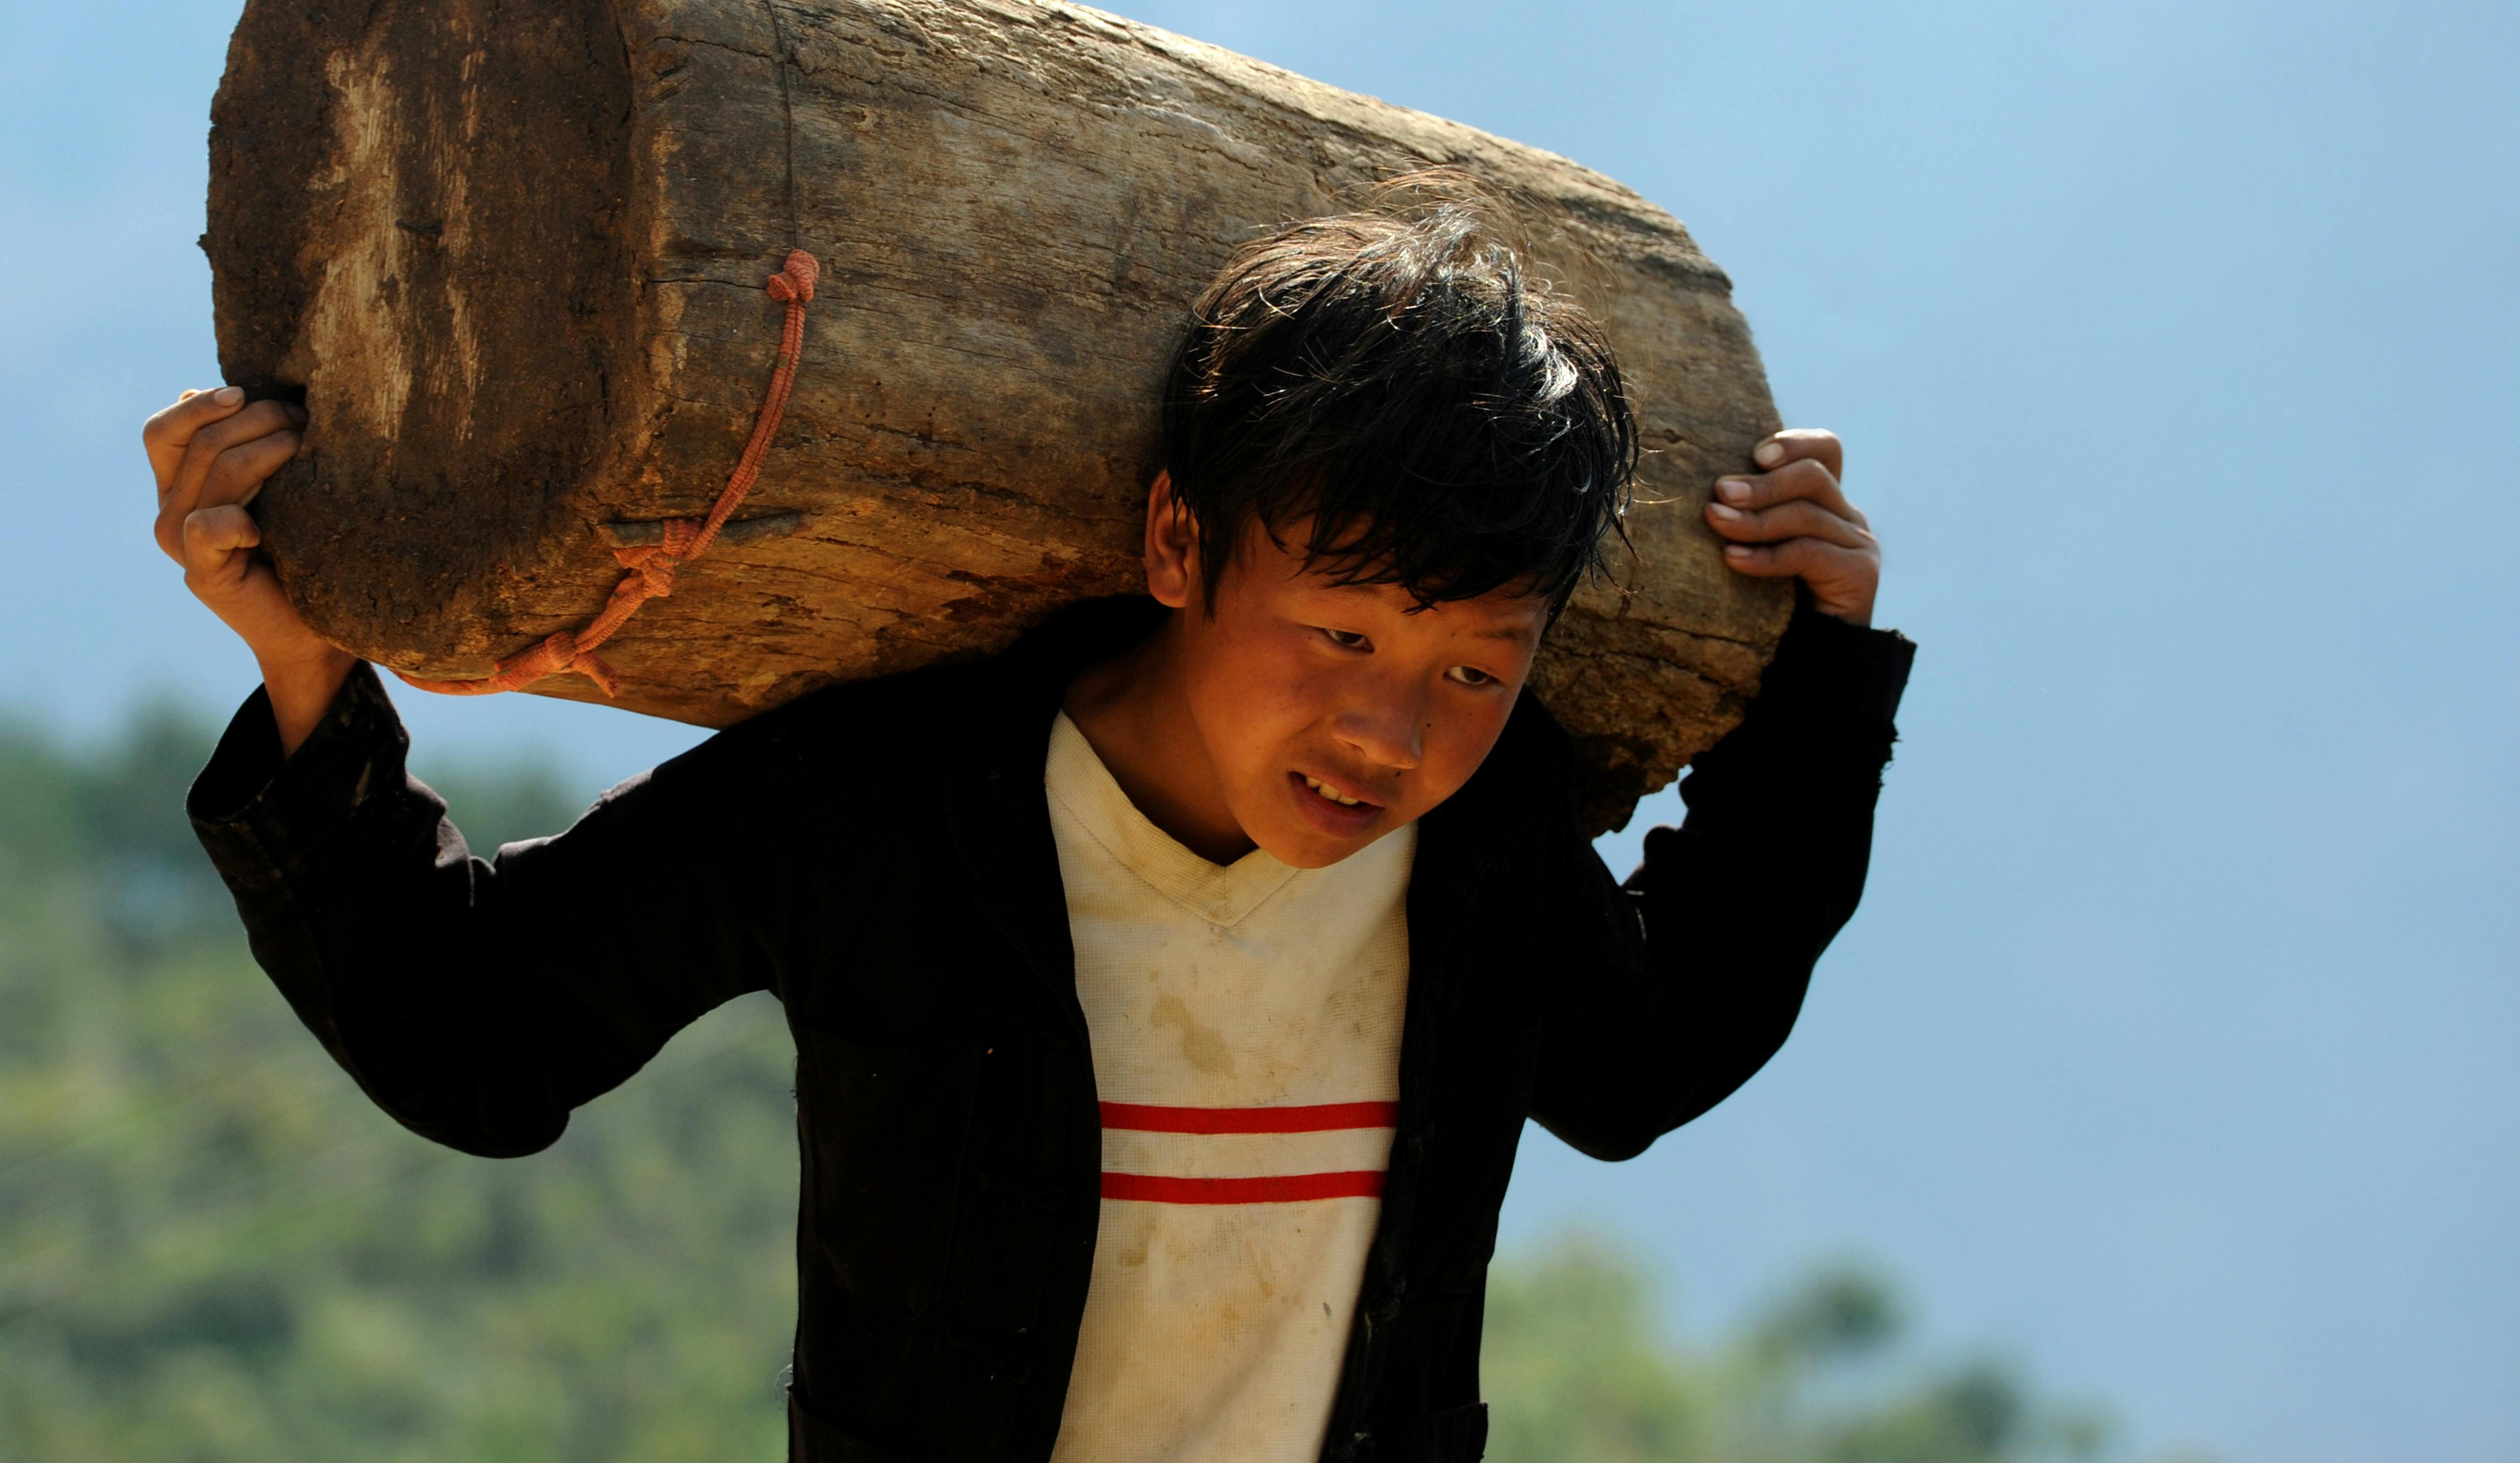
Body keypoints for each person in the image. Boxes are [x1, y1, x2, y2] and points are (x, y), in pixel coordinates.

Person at [147, 188, 1913, 1463]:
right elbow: (482, 1038)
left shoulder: (1481, 842)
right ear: (1175, 549)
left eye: (1472, 672)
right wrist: (309, 672)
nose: (1387, 733)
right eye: (1343, 635)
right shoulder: (887, 811)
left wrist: (1819, 682)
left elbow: (1647, 1059)